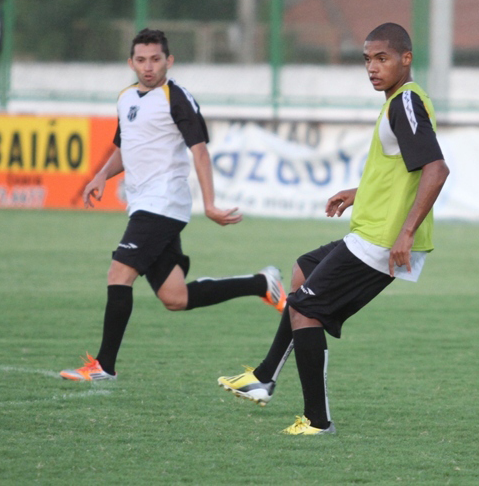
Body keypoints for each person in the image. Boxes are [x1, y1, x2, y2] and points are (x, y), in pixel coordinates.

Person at [217, 23, 449, 435]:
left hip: (382, 239)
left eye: (382, 58)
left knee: (306, 309)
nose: (373, 68)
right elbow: (403, 171)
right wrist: (359, 192)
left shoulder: (407, 102)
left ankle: (317, 421)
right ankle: (266, 375)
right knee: (304, 268)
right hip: (371, 228)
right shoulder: (398, 101)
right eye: (367, 60)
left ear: (406, 59)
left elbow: (436, 168)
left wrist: (407, 233)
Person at [60, 28, 285, 382]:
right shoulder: (126, 99)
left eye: (155, 59)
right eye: (141, 60)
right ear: (131, 62)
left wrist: (209, 204)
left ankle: (104, 365)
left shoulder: (176, 97)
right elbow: (126, 147)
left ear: (169, 60)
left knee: (119, 273)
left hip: (163, 203)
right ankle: (260, 284)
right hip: (143, 205)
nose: (148, 67)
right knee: (175, 297)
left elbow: (199, 151)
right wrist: (102, 175)